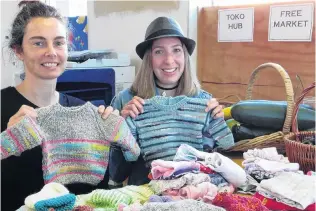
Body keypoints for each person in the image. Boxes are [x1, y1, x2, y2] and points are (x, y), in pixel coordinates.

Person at [1, 2, 113, 210]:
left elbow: (97, 190)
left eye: (59, 43)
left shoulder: (81, 110)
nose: (51, 52)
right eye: (38, 43)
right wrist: (5, 146)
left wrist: (107, 141)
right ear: (18, 51)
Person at [108, 16, 229, 188]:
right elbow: (116, 175)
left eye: (176, 50)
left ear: (185, 56)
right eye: (159, 51)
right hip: (143, 195)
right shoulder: (125, 101)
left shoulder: (203, 101)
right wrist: (120, 132)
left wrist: (216, 127)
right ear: (148, 58)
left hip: (190, 192)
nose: (169, 60)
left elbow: (213, 164)